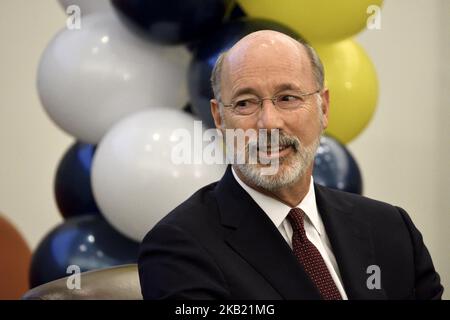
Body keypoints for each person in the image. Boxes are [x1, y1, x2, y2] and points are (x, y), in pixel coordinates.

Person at [138, 30, 443, 300]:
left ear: (323, 108)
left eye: (287, 97)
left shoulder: (391, 228)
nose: (269, 122)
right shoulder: (179, 247)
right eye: (245, 102)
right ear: (219, 118)